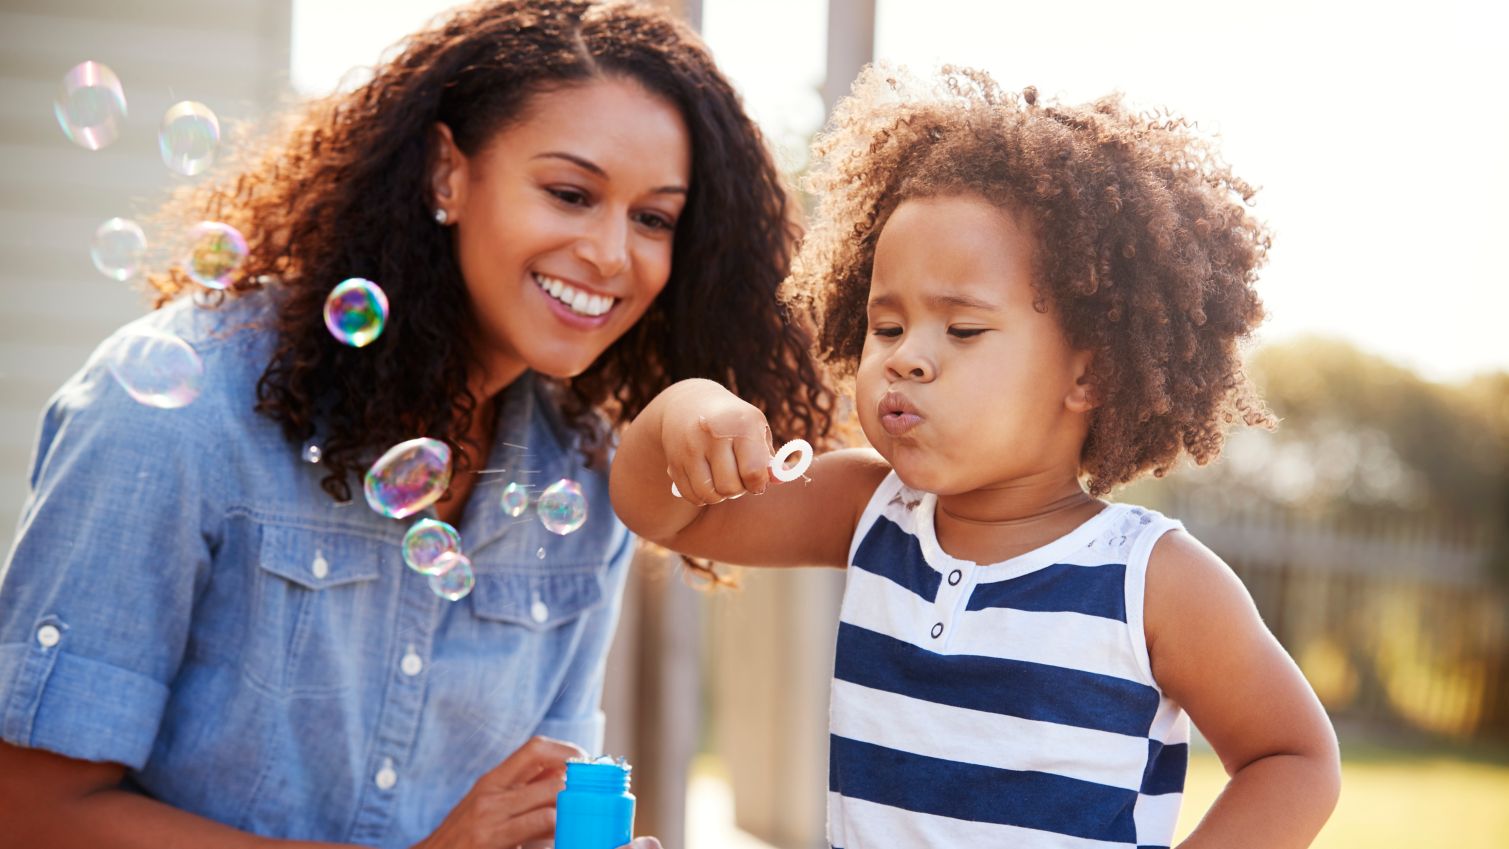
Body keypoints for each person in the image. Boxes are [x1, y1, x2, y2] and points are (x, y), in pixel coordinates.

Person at [0, 2, 832, 847]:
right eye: (570, 193)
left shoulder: (583, 476)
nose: (613, 255)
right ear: (446, 173)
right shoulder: (179, 419)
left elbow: (531, 818)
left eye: (653, 218)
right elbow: (28, 810)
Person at [611, 66, 1341, 848]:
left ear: (1087, 371)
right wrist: (681, 410)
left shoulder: (1150, 579)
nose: (907, 358)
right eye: (885, 327)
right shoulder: (867, 511)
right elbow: (664, 513)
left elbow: (1293, 758)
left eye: (961, 330)